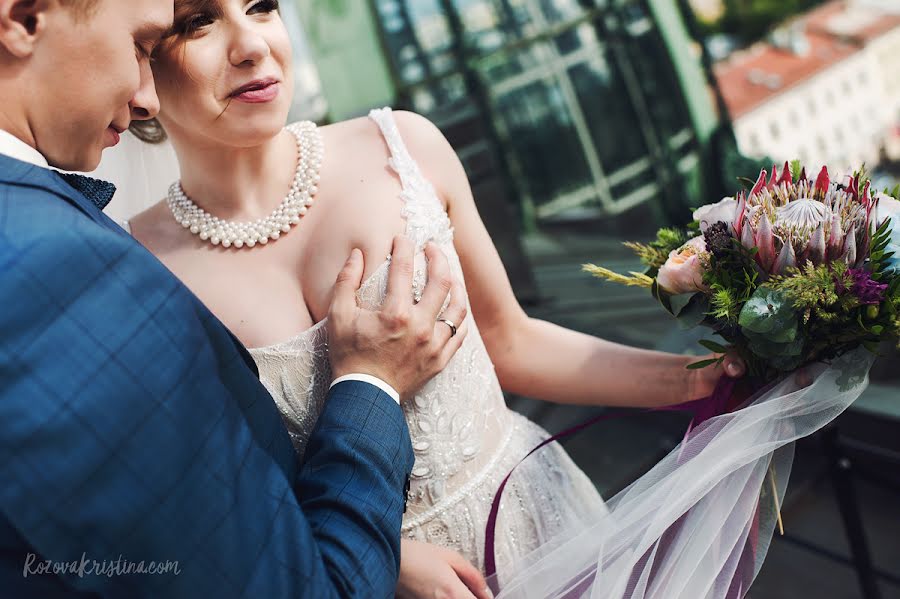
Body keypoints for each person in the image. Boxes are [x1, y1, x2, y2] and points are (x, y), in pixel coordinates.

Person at [114, 0, 746, 595]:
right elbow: (212, 504)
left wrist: (694, 381)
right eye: (199, 22)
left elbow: (510, 343)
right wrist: (384, 560)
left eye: (261, 6)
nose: (252, 45)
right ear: (140, 62)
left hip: (539, 530)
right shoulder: (136, 270)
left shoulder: (402, 147)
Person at [0, 0, 468, 596]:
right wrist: (372, 383)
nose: (143, 98)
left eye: (263, 5)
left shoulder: (402, 144)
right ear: (24, 17)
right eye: (146, 44)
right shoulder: (65, 268)